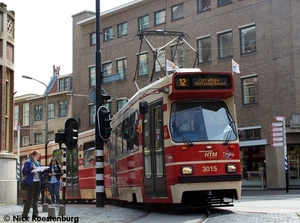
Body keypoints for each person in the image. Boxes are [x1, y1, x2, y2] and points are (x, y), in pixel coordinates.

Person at [21, 150, 46, 218]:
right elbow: (24, 172)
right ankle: (25, 214)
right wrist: (32, 168)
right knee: (29, 198)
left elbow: (40, 172)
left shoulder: (38, 163)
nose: (37, 157)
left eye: (38, 156)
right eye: (36, 156)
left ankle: (35, 214)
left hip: (38, 181)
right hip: (31, 182)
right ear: (33, 155)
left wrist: (43, 170)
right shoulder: (28, 162)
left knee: (36, 198)